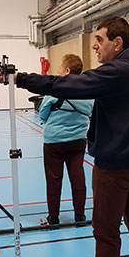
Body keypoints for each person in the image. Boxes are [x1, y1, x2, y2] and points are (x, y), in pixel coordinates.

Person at [0, 16, 129, 257]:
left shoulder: (121, 71)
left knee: (105, 230)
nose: (95, 46)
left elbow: (70, 84)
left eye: (100, 40)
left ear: (118, 43)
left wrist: (22, 79)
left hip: (116, 167)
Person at [38, 54, 94, 226]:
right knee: (78, 176)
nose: (58, 72)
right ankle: (80, 215)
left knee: (54, 178)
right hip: (77, 141)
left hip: (54, 141)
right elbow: (91, 111)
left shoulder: (55, 90)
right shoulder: (88, 92)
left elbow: (42, 114)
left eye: (60, 68)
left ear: (67, 71)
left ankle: (53, 217)